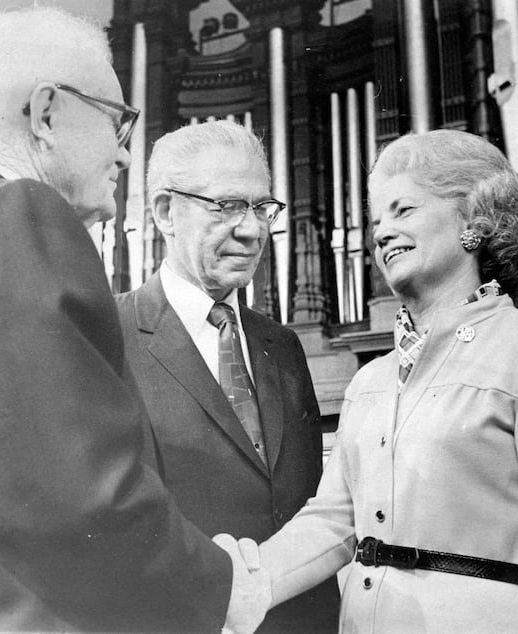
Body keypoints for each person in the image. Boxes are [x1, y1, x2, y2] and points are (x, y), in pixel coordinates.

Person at [0, 7, 269, 632]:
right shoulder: (17, 214)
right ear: (46, 114)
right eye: (117, 121)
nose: (126, 155)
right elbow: (80, 507)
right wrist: (222, 588)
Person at [253, 129, 518, 631]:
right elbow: (332, 522)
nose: (381, 233)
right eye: (377, 220)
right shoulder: (369, 381)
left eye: (402, 210)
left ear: (473, 221)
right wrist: (232, 583)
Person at [114, 120, 340, 633]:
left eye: (262, 208)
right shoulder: (109, 335)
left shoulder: (284, 346)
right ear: (165, 212)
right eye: (229, 206)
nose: (253, 230)